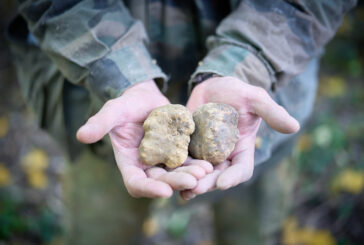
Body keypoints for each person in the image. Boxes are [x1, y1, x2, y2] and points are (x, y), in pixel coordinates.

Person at [7, 0, 357, 244]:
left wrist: (249, 61)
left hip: (258, 114)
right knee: (99, 232)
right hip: (103, 107)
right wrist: (118, 71)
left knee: (252, 234)